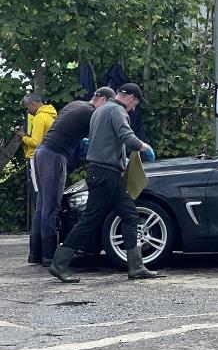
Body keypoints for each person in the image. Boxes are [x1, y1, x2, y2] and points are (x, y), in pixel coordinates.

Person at [49, 83, 159, 283]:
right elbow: (127, 137)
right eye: (134, 103)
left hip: (104, 173)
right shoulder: (117, 111)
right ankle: (59, 263)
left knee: (129, 215)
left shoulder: (100, 110)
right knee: (90, 220)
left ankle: (136, 266)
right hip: (105, 175)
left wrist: (120, 159)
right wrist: (144, 147)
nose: (133, 108)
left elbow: (101, 140)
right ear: (130, 97)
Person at [31, 87, 115, 267]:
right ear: (103, 100)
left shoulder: (77, 104)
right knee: (51, 206)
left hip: (41, 152)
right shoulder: (91, 112)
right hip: (55, 155)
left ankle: (35, 254)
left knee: (41, 205)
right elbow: (99, 138)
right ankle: (49, 256)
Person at [18, 94, 57, 264]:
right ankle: (42, 252)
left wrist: (23, 137)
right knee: (46, 202)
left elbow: (36, 141)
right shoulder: (52, 115)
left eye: (29, 108)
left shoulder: (40, 118)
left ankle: (38, 252)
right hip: (51, 159)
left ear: (34, 104)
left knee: (40, 203)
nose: (29, 112)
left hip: (36, 158)